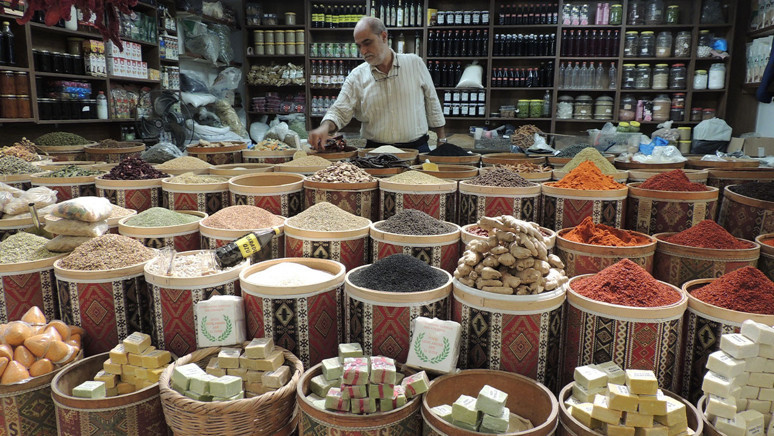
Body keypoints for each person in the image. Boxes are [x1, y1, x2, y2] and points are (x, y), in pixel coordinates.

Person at [307, 16, 446, 153]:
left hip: (416, 149)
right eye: (359, 46)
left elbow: (432, 101)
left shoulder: (414, 63)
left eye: (367, 43)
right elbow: (339, 110)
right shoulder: (357, 76)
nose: (363, 51)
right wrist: (324, 127)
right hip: (374, 152)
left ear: (384, 37)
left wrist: (442, 139)